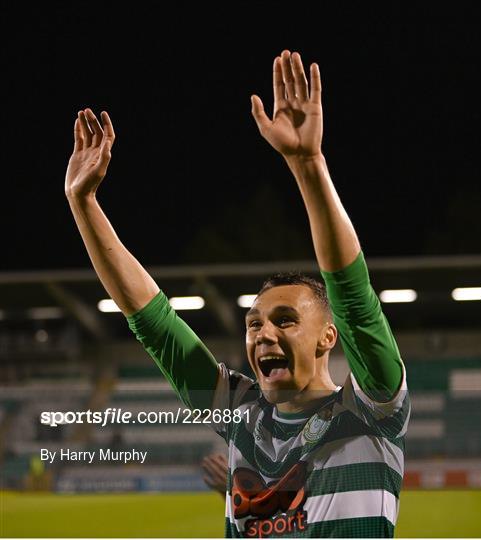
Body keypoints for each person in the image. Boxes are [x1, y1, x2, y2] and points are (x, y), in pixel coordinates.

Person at [65, 49, 409, 538]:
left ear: (328, 336)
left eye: (286, 319)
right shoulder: (243, 415)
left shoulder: (372, 408)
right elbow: (154, 323)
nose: (263, 332)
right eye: (254, 323)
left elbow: (353, 295)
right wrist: (83, 203)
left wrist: (308, 165)